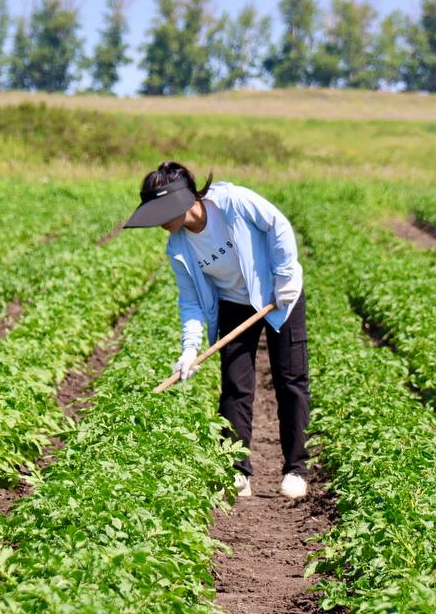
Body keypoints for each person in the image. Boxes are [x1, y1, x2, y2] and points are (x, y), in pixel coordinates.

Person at [125, 161, 309, 500]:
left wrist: (284, 276)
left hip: (279, 294)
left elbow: (278, 225)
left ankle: (295, 468)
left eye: (162, 212)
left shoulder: (233, 202)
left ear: (182, 201)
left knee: (290, 381)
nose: (161, 223)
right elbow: (191, 300)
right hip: (234, 303)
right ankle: (237, 470)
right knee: (235, 386)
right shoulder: (178, 247)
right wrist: (189, 349)